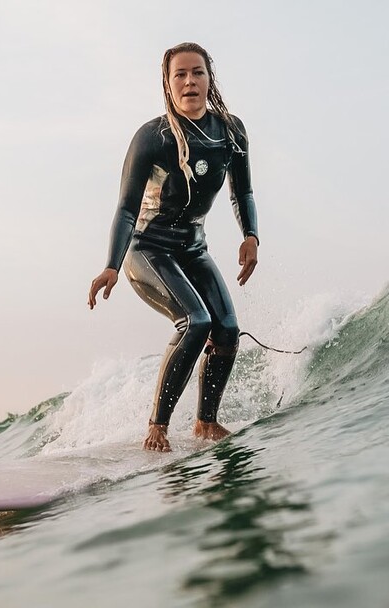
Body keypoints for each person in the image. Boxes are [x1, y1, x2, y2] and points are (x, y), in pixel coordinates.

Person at [88, 42, 259, 452]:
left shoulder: (230, 130)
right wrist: (111, 264)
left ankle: (205, 422)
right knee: (196, 322)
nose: (189, 81)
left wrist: (251, 235)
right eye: (180, 74)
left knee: (228, 330)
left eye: (197, 72)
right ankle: (157, 427)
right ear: (168, 84)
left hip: (192, 246)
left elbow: (244, 191)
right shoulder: (153, 137)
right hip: (147, 248)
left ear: (208, 78)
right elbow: (127, 209)